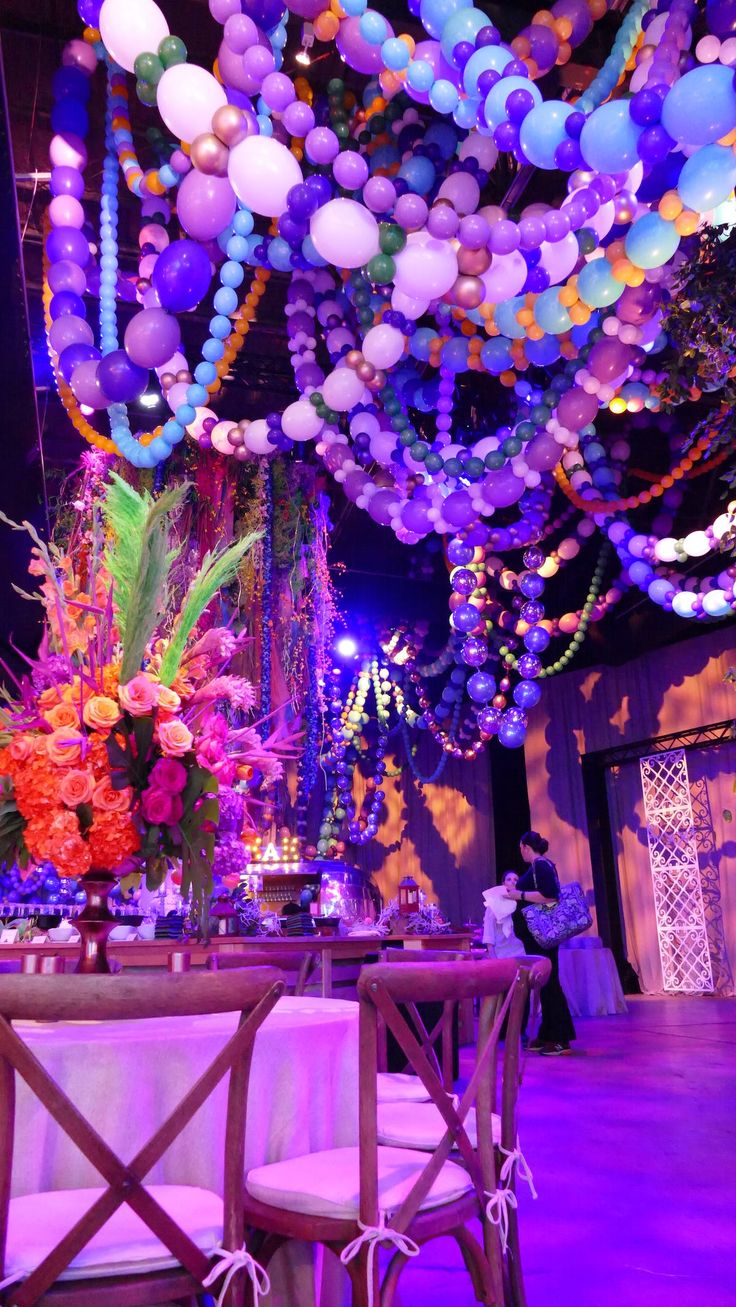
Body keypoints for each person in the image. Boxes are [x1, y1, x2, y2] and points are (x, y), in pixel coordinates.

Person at [503, 830, 576, 1056]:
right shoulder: (540, 865)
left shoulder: (541, 865)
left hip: (542, 936)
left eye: (521, 848)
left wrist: (519, 895)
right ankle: (548, 1034)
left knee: (550, 982)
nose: (521, 853)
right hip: (537, 937)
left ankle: (560, 1038)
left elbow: (550, 895)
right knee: (544, 982)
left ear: (525, 846)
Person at [482, 872, 526, 958]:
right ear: (503, 884)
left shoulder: (523, 904)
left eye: (516, 880)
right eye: (509, 879)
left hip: (521, 952)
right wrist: (492, 955)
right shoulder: (493, 904)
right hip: (502, 954)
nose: (513, 882)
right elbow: (488, 932)